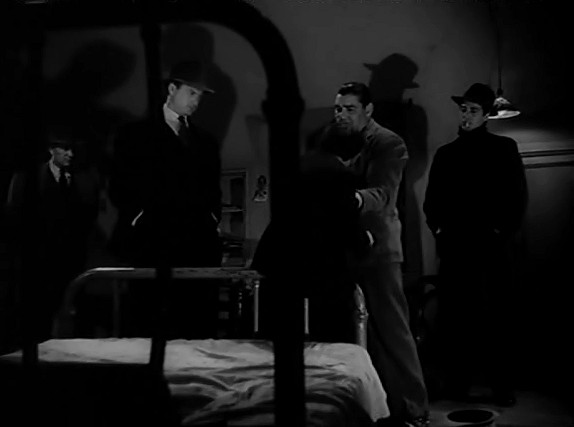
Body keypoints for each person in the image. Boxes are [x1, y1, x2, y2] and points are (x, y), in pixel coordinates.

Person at [423, 82, 528, 407]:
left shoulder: (504, 148)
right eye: (463, 109)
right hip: (456, 247)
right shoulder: (446, 154)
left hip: (491, 247)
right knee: (457, 316)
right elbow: (432, 202)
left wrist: (498, 232)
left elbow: (517, 197)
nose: (466, 116)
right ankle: (458, 382)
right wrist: (440, 230)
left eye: (472, 110)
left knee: (497, 314)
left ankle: (501, 384)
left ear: (486, 115)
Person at [331, 82, 429, 427]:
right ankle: (374, 407)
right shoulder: (334, 140)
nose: (342, 115)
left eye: (350, 109)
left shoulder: (388, 142)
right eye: (338, 108)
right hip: (345, 249)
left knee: (392, 332)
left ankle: (414, 410)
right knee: (354, 333)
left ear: (368, 110)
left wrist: (350, 198)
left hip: (379, 251)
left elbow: (384, 193)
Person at [108, 60, 222, 339]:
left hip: (197, 245)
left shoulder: (205, 141)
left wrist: (211, 219)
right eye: (191, 92)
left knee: (194, 324)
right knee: (151, 322)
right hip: (152, 243)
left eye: (200, 96)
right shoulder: (134, 135)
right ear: (172, 89)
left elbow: (212, 189)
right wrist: (139, 217)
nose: (196, 101)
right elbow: (121, 185)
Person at [251, 123, 373, 344]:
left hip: (279, 259)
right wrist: (365, 241)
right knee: (329, 339)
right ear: (353, 154)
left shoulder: (296, 167)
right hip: (318, 267)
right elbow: (344, 225)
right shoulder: (340, 175)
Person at [5, 129, 100, 341]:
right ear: (51, 150)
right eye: (64, 149)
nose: (70, 154)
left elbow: (89, 216)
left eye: (72, 150)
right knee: (39, 312)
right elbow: (15, 216)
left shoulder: (85, 180)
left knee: (73, 311)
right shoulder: (28, 178)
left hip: (73, 259)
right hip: (39, 259)